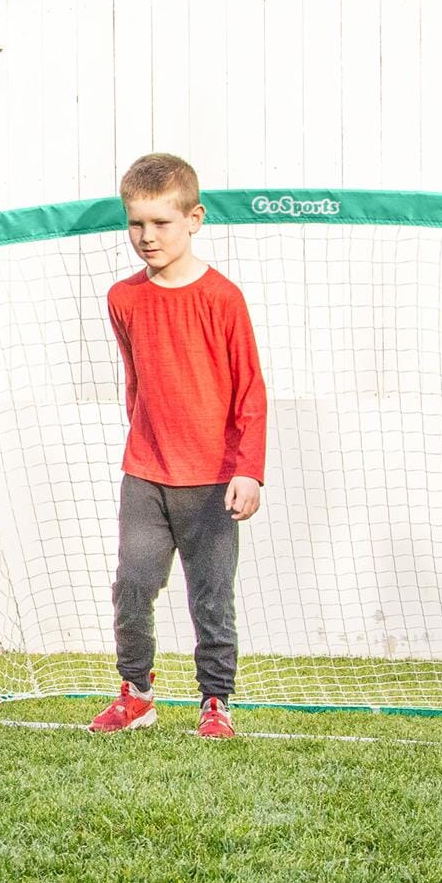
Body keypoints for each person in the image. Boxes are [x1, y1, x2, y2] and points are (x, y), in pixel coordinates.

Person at [91, 152, 266, 741]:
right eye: (136, 223)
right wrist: (146, 444)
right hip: (145, 475)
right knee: (133, 584)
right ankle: (136, 693)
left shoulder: (223, 298)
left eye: (161, 223)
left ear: (195, 219)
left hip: (213, 480)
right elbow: (137, 382)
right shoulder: (123, 298)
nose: (146, 236)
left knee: (211, 596)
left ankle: (215, 702)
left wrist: (249, 470)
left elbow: (250, 392)